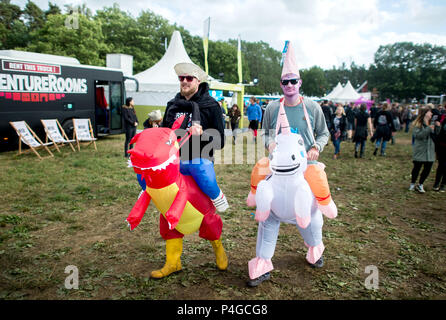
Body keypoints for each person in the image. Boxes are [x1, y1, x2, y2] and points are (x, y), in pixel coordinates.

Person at [248, 41, 334, 287]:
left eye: (293, 81)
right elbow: (265, 133)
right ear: (280, 85)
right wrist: (270, 145)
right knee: (267, 215)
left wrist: (316, 147)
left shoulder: (313, 107)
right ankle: (262, 262)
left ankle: (315, 246)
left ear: (300, 83)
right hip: (278, 167)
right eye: (284, 82)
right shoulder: (273, 107)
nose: (289, 86)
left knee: (310, 213)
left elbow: (323, 133)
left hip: (305, 167)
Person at [161, 62, 229, 212]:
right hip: (174, 164)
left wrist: (202, 134)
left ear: (198, 81)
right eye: (181, 78)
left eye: (189, 78)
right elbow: (164, 132)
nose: (184, 81)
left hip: (200, 164)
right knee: (173, 210)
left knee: (201, 211)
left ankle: (216, 198)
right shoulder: (172, 105)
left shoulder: (211, 106)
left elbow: (220, 142)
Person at [409, 106, 439, 193]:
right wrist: (429, 129)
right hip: (420, 149)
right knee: (417, 167)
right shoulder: (418, 124)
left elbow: (436, 136)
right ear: (425, 113)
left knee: (427, 168)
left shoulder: (432, 123)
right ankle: (412, 183)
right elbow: (418, 136)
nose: (431, 114)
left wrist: (437, 127)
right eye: (430, 112)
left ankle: (420, 184)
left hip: (430, 149)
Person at [433, 109, 446, 191]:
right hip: (441, 146)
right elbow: (439, 134)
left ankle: (443, 184)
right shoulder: (444, 120)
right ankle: (437, 183)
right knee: (441, 165)